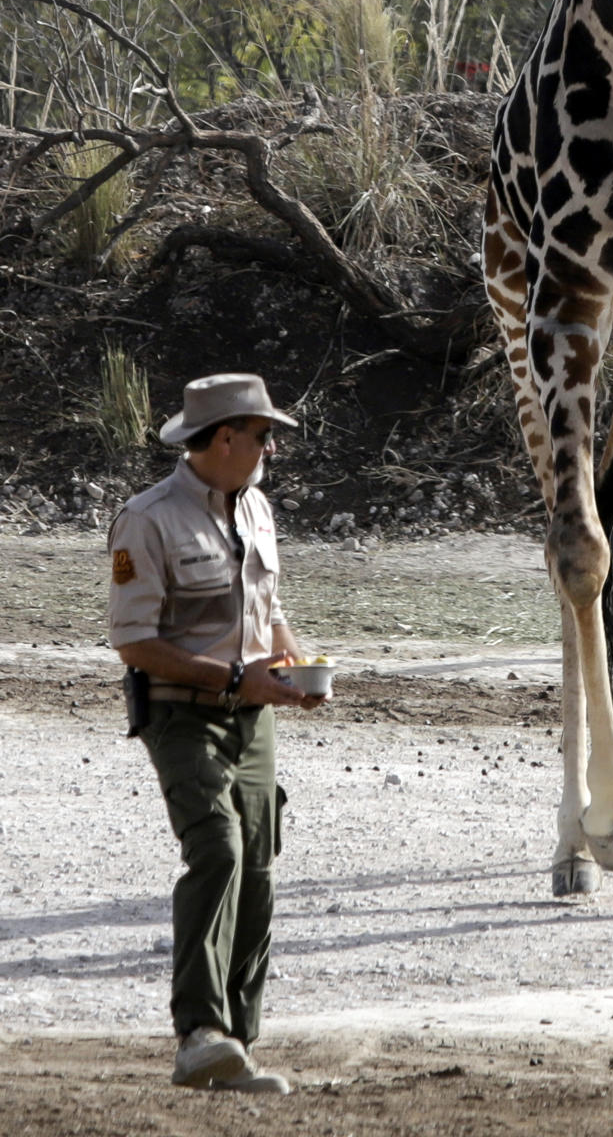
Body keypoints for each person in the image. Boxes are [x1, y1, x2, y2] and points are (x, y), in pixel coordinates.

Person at [108, 372, 324, 1095]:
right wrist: (232, 680)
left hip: (253, 717)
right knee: (218, 849)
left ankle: (237, 1042)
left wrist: (291, 661)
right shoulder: (148, 519)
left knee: (258, 865)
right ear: (224, 437)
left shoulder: (257, 508)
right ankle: (197, 1034)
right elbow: (134, 642)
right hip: (180, 714)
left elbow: (270, 606)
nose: (271, 448)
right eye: (263, 435)